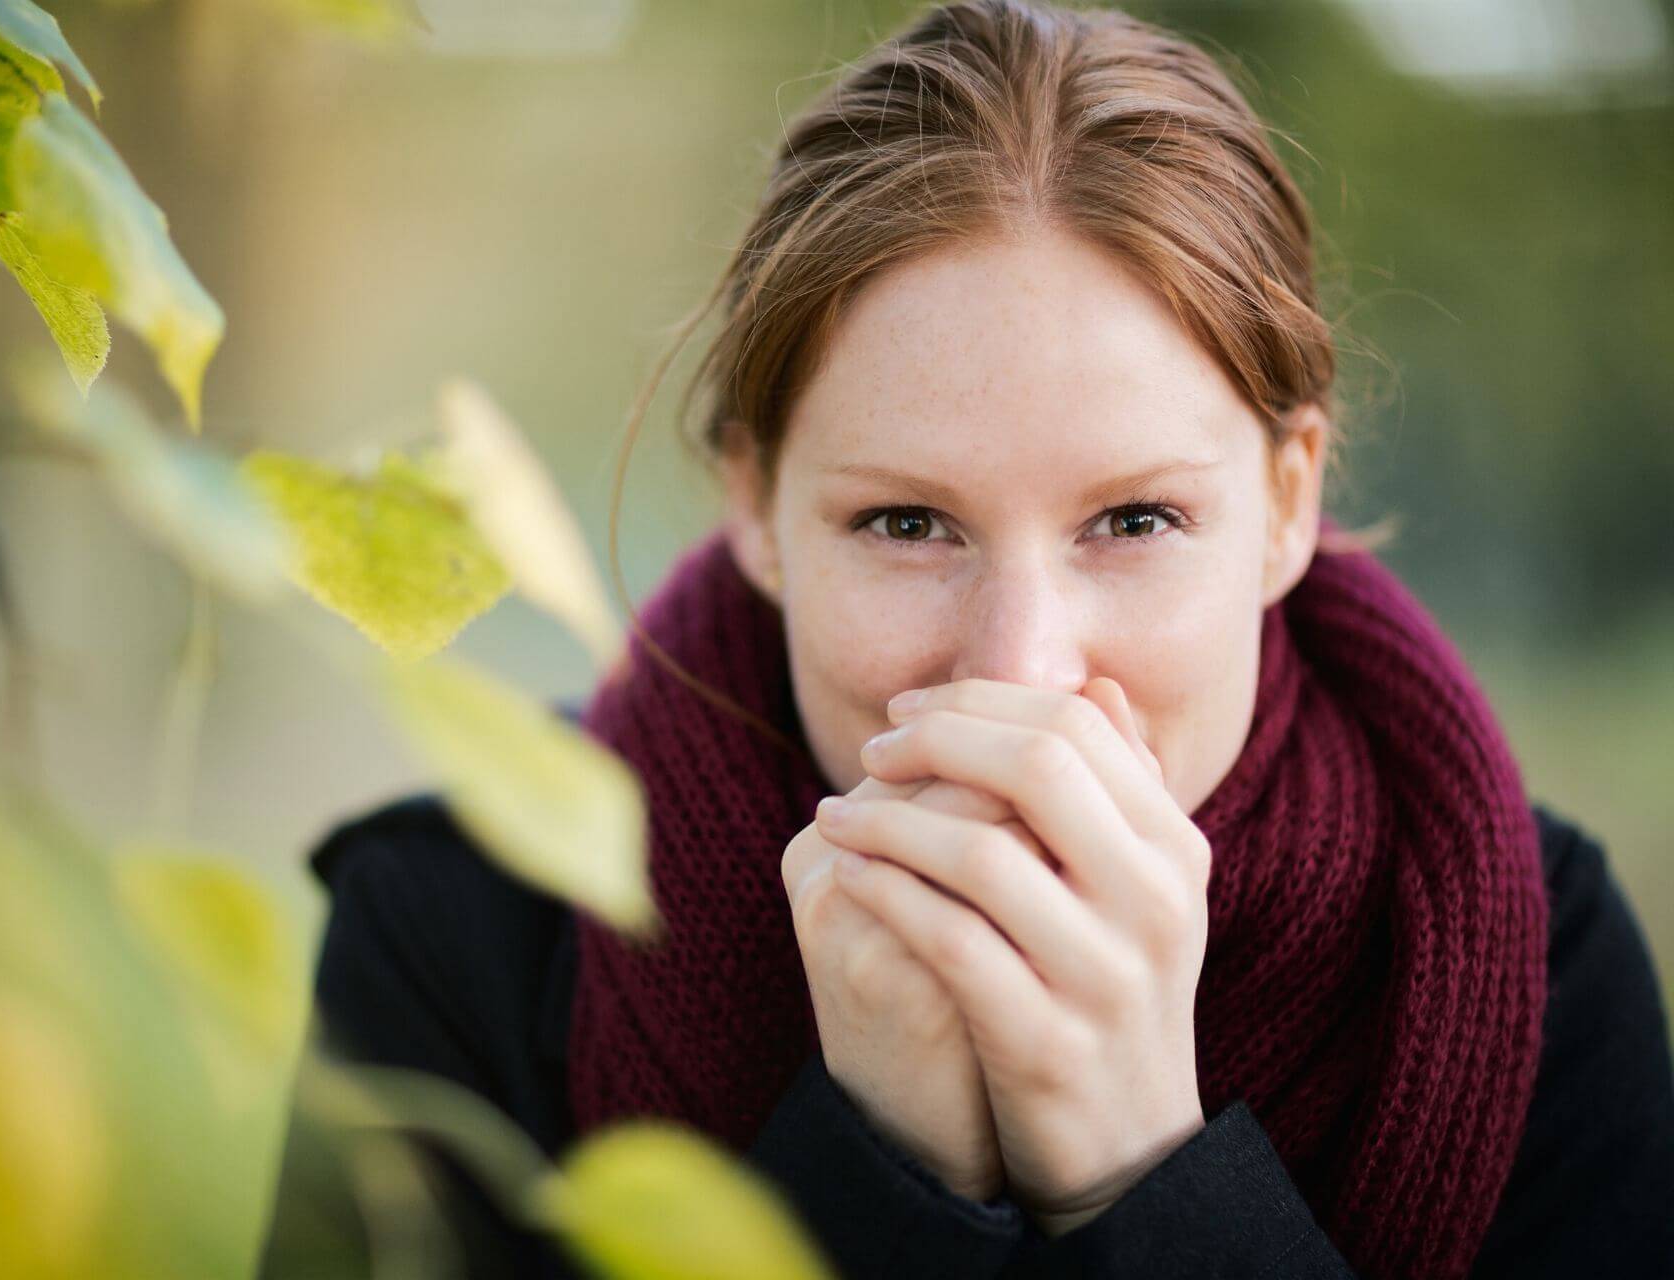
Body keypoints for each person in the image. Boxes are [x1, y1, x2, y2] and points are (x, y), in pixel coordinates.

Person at [261, 2, 1674, 1275]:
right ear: (754, 506)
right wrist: (882, 1172)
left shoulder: (1534, 962)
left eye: (1133, 521)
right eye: (904, 525)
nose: (1017, 670)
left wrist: (1144, 1174)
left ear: (1287, 505)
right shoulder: (456, 932)